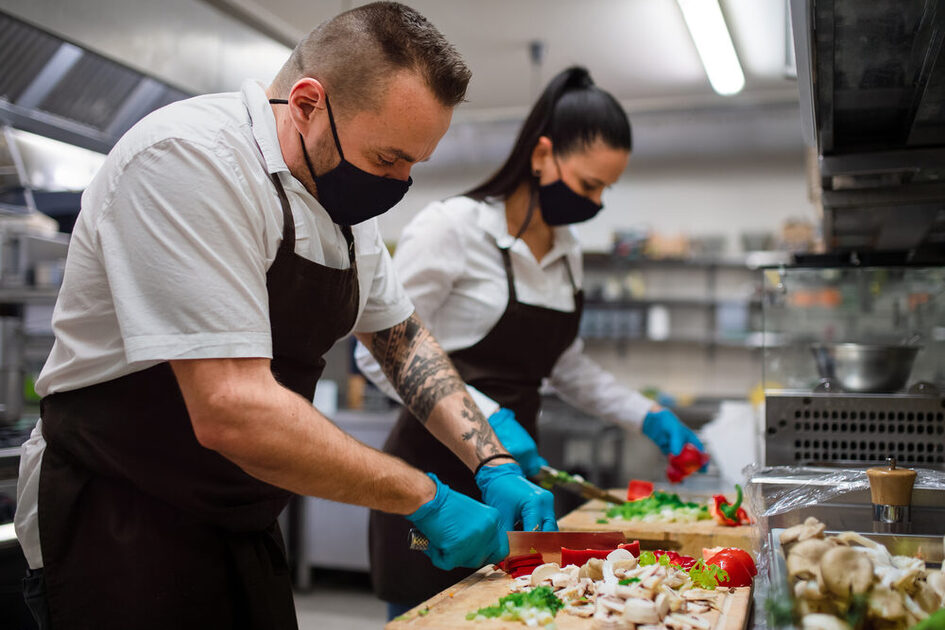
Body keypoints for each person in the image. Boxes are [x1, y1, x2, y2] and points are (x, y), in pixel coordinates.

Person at [13, 4, 555, 629]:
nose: (399, 181)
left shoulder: (342, 203)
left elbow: (400, 340)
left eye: (413, 164)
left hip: (238, 519)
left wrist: (492, 461)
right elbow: (231, 410)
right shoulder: (190, 160)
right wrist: (423, 496)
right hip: (115, 522)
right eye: (386, 159)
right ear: (305, 104)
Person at [357, 66, 707, 613]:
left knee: (510, 616)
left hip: (515, 490)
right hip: (435, 489)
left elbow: (567, 366)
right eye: (589, 184)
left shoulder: (567, 257)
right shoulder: (454, 228)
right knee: (428, 616)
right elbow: (378, 350)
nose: (595, 201)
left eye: (605, 190)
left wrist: (649, 416)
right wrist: (488, 418)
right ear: (542, 155)